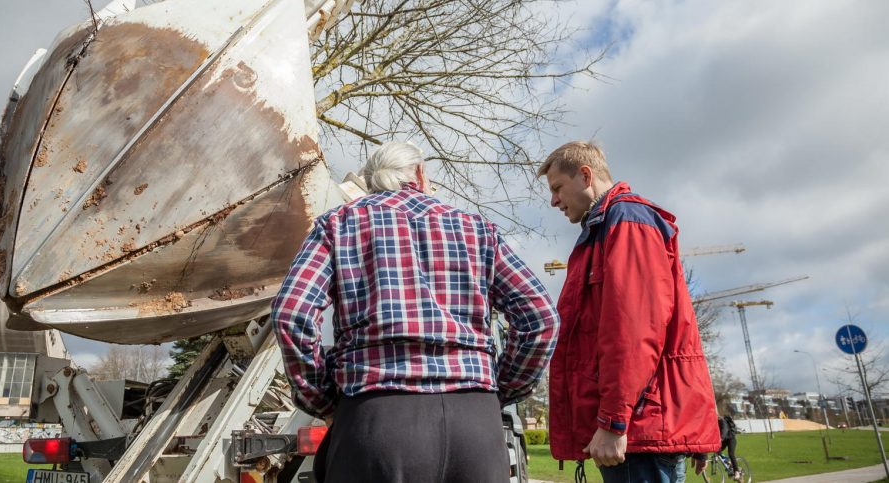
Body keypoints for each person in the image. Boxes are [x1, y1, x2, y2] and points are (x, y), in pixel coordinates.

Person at [272, 141, 560, 483]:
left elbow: (292, 314)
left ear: (370, 181)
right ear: (421, 173)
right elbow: (541, 318)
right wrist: (501, 389)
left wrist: (321, 401)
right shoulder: (478, 228)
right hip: (475, 424)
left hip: (376, 419)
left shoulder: (338, 225)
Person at [538, 141, 720, 483]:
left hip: (637, 430)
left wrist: (613, 421)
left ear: (586, 176)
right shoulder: (605, 226)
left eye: (558, 188)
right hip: (638, 429)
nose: (554, 201)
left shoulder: (627, 220)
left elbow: (634, 330)